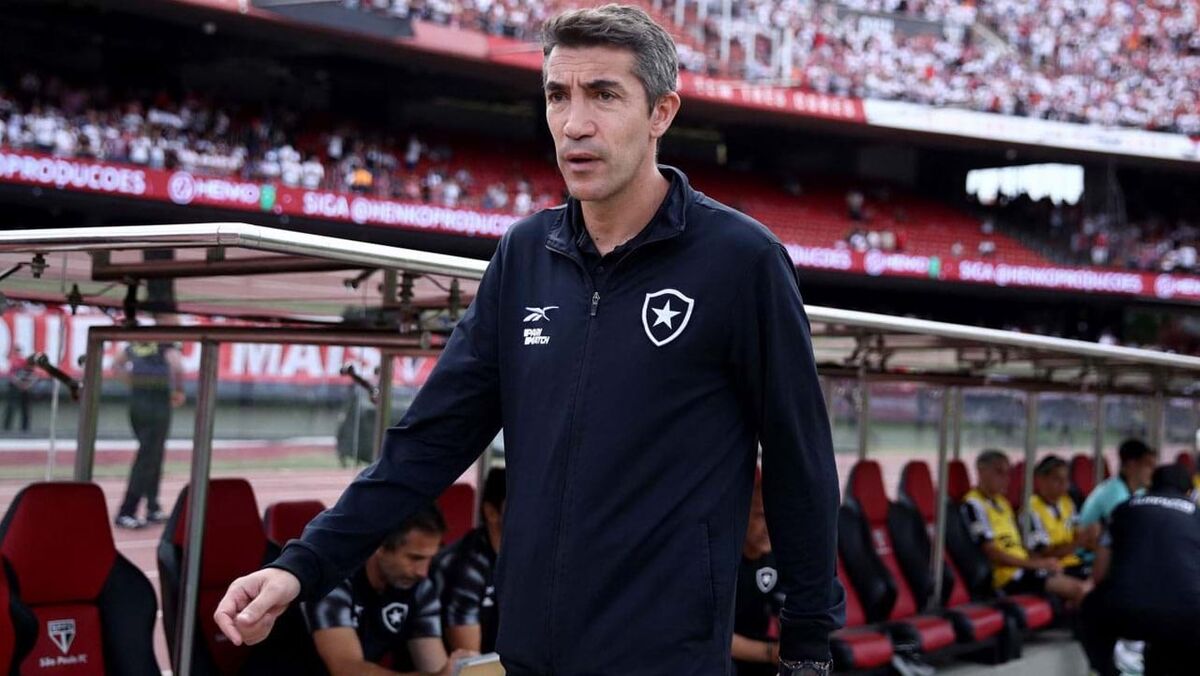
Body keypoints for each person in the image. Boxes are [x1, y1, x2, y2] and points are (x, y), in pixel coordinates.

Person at [216, 6, 844, 675]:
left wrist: (807, 649)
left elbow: (798, 459)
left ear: (660, 113)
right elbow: (429, 442)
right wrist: (302, 565)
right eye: (557, 95)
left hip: (666, 658)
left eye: (604, 95)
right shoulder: (523, 255)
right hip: (528, 656)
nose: (574, 123)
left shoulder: (740, 261)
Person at [305, 505, 472, 675]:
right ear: (380, 546)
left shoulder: (420, 589)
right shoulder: (334, 580)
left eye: (430, 558)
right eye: (415, 558)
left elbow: (433, 666)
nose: (423, 572)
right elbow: (346, 669)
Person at [1081, 465, 1200, 676]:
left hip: (1127, 611)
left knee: (1090, 606)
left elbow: (1099, 573)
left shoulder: (1124, 509)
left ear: (1150, 486)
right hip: (1187, 616)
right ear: (1189, 492)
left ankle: (1106, 670)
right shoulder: (1196, 514)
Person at [962, 450, 1090, 605]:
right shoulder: (973, 505)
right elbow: (992, 553)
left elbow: (1021, 545)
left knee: (1092, 585)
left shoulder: (1003, 503)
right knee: (1080, 590)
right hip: (1006, 575)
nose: (1006, 479)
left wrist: (1042, 563)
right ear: (981, 472)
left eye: (1007, 474)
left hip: (1025, 568)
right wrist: (1035, 564)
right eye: (999, 472)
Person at [113, 327, 185, 529]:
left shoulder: (138, 341)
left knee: (152, 453)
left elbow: (116, 364)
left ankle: (153, 506)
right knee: (149, 456)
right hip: (157, 401)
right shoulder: (167, 341)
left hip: (138, 400)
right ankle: (127, 511)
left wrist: (135, 383)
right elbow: (177, 366)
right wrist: (178, 390)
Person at [438, 468, 505, 653]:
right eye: (520, 505)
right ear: (491, 512)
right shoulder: (466, 567)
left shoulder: (528, 561)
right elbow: (471, 661)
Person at [731, 475, 782, 676]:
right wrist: (769, 652)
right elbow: (713, 637)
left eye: (774, 515)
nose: (769, 527)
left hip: (757, 645)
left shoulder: (777, 557)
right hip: (723, 651)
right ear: (741, 514)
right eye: (761, 516)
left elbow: (784, 611)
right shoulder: (723, 562)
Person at [1022, 455, 1093, 578]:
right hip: (1051, 569)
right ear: (1041, 480)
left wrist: (1091, 536)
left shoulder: (1067, 503)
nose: (1064, 484)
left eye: (1066, 479)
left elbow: (1078, 534)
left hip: (1074, 563)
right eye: (1057, 479)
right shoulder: (1030, 511)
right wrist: (1079, 542)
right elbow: (1045, 553)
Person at [1078, 438, 1157, 532]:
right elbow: (1132, 529)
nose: (1154, 471)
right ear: (1132, 465)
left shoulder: (1139, 491)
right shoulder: (1113, 492)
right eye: (1148, 465)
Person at [3, 346, 34, 433]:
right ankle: (7, 427)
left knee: (25, 408)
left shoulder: (24, 361)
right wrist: (20, 383)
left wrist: (27, 384)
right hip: (14, 387)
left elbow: (32, 374)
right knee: (11, 407)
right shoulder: (12, 362)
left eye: (18, 351)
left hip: (24, 387)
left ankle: (25, 428)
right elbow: (11, 376)